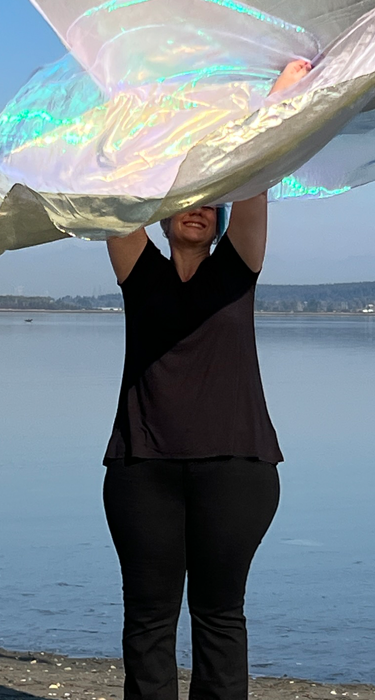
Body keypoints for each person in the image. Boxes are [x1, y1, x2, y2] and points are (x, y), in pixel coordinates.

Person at [103, 60, 312, 700]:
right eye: (184, 200)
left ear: (222, 217)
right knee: (148, 618)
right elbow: (114, 193)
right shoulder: (139, 270)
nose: (196, 209)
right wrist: (130, 107)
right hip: (143, 468)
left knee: (220, 616)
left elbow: (257, 172)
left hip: (236, 467)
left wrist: (276, 102)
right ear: (163, 212)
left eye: (209, 201)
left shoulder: (239, 267)